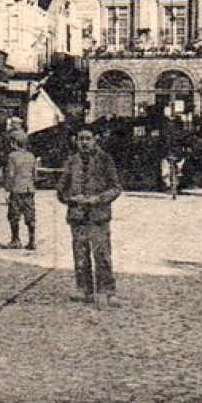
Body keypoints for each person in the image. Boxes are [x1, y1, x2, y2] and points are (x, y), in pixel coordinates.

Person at [58, 128, 121, 306]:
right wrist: (70, 198)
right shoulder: (71, 161)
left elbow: (116, 188)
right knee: (80, 255)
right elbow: (61, 189)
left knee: (102, 254)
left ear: (95, 140)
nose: (84, 142)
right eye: (81, 139)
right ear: (76, 141)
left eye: (88, 139)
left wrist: (99, 199)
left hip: (98, 216)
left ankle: (107, 291)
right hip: (77, 216)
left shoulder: (105, 159)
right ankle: (83, 289)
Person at [5, 130, 38, 250]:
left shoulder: (12, 156)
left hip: (16, 189)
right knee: (30, 215)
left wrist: (7, 189)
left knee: (14, 215)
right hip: (29, 189)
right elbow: (35, 174)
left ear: (14, 143)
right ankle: (32, 240)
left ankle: (15, 240)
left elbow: (10, 174)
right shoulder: (31, 156)